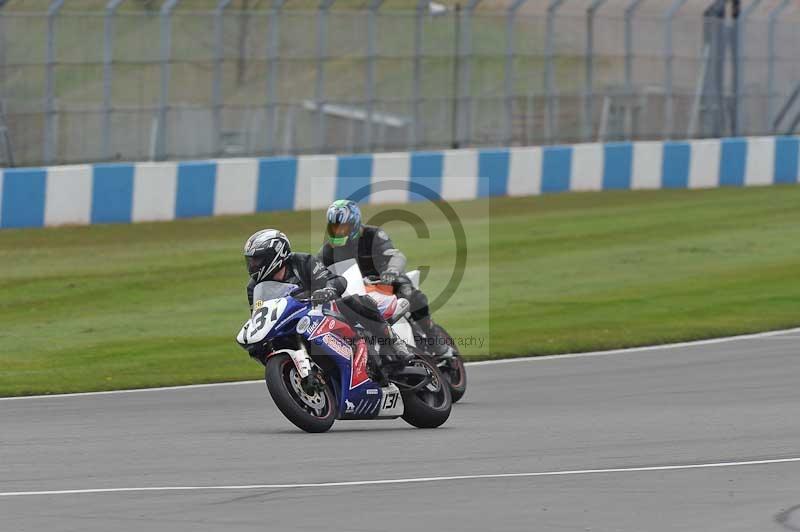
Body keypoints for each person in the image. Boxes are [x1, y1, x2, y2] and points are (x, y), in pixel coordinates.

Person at [241, 228, 412, 369]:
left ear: (276, 254)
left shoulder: (302, 261)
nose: (253, 265)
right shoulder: (254, 286)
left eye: (258, 259)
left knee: (355, 302)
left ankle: (393, 341)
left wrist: (327, 290)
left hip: (321, 312)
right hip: (292, 324)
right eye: (251, 260)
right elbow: (259, 315)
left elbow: (334, 279)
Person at [318, 200, 449, 355]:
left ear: (354, 223)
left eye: (343, 227)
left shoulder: (373, 235)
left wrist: (391, 270)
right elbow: (317, 271)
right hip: (357, 292)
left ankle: (433, 335)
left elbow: (395, 255)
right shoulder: (328, 250)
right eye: (335, 227)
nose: (339, 231)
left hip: (385, 282)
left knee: (409, 293)